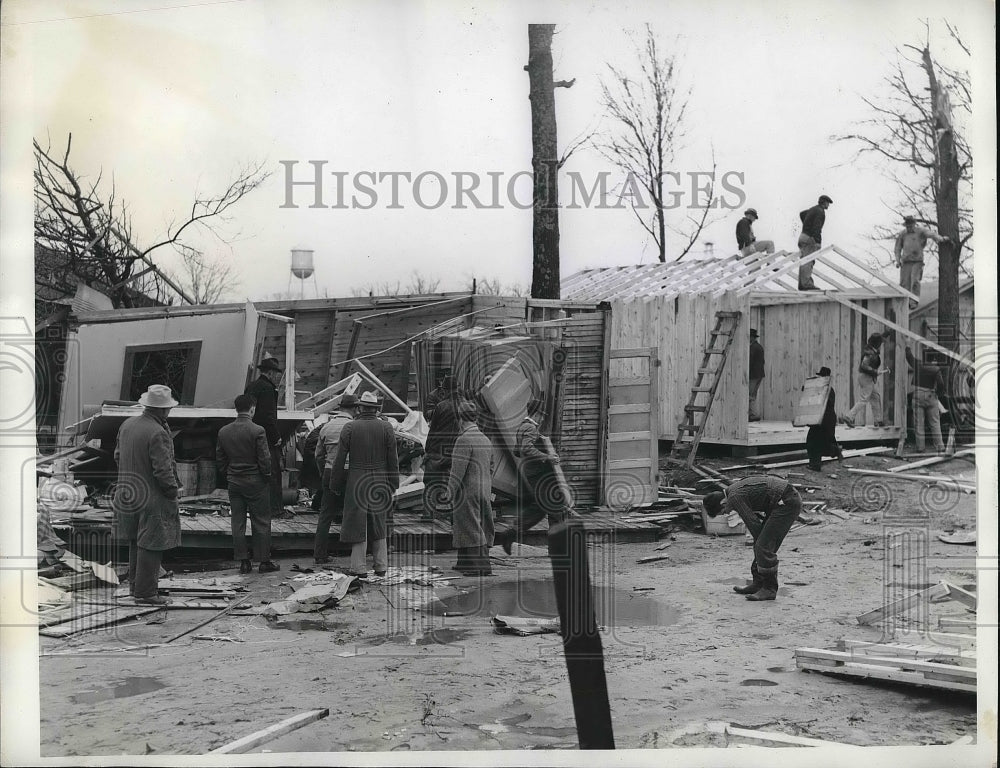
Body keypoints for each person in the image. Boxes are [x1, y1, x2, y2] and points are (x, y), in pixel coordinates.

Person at [113, 384, 182, 604]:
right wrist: (172, 491)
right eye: (168, 409)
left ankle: (136, 587)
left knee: (136, 541)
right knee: (152, 543)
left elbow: (116, 456)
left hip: (127, 491)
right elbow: (163, 470)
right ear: (162, 410)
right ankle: (146, 593)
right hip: (151, 496)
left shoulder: (127, 424)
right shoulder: (158, 432)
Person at [331, 390, 400, 577]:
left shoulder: (349, 428)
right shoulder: (387, 428)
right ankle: (381, 566)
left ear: (360, 408)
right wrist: (394, 483)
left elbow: (339, 460)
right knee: (379, 521)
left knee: (357, 522)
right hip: (380, 479)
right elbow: (393, 459)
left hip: (356, 479)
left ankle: (359, 568)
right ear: (376, 409)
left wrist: (335, 484)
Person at [702, 474, 801, 601]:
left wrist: (762, 546)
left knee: (762, 545)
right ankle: (758, 584)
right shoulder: (733, 490)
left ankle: (769, 589)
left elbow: (752, 522)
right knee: (761, 543)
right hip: (783, 499)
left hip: (787, 502)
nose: (726, 513)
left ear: (722, 502)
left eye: (723, 511)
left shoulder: (734, 497)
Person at [495, 397, 574, 554]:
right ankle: (556, 547)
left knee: (542, 507)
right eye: (542, 414)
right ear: (537, 413)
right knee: (554, 507)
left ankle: (513, 533)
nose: (543, 417)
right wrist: (547, 456)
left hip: (534, 474)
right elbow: (525, 449)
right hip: (538, 474)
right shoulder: (530, 428)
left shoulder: (523, 427)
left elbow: (518, 450)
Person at [216, 394, 278, 574]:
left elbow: (220, 459)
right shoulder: (258, 430)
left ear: (236, 409)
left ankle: (243, 561)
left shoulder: (224, 431)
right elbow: (265, 459)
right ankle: (264, 561)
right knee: (262, 521)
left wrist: (229, 473)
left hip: (234, 481)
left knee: (238, 521)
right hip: (255, 481)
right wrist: (266, 476)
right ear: (252, 409)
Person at [447, 399, 496, 576]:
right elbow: (491, 466)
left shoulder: (464, 439)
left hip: (468, 491)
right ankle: (464, 562)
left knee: (470, 526)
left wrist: (449, 492)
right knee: (473, 524)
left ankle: (480, 567)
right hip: (484, 489)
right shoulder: (484, 439)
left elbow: (457, 471)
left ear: (461, 419)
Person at [312, 393, 359, 563]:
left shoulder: (326, 427)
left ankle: (320, 554)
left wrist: (323, 472)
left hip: (329, 471)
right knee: (354, 513)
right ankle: (355, 553)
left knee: (325, 514)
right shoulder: (354, 427)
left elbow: (318, 455)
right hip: (350, 472)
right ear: (354, 408)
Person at [245, 355, 285, 516]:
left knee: (253, 473)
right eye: (276, 373)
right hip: (266, 438)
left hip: (249, 433)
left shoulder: (252, 386)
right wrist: (276, 437)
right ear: (270, 373)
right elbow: (268, 416)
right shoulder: (268, 389)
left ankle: (253, 507)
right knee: (272, 472)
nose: (277, 377)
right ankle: (274, 510)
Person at [422, 377, 461, 522]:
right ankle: (454, 515)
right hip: (456, 450)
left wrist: (427, 450)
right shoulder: (466, 405)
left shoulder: (441, 406)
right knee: (453, 483)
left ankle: (428, 514)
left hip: (437, 450)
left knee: (430, 483)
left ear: (445, 390)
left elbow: (433, 429)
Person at [894, 216, 949, 306]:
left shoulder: (920, 231)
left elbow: (931, 234)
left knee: (915, 281)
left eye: (910, 226)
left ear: (914, 225)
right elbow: (897, 248)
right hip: (906, 261)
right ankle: (904, 302)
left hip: (917, 261)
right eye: (907, 227)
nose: (909, 228)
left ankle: (913, 301)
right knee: (904, 283)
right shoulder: (903, 234)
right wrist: (897, 260)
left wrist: (941, 238)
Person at [905, 345, 947, 452]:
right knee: (934, 422)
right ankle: (940, 446)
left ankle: (920, 447)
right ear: (933, 358)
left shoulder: (918, 364)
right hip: (931, 395)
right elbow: (941, 384)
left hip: (918, 394)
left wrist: (907, 345)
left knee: (919, 423)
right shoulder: (936, 369)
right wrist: (938, 393)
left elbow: (909, 357)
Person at [844, 334, 888, 428]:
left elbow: (880, 337)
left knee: (875, 397)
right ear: (877, 344)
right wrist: (875, 372)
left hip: (867, 377)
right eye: (880, 343)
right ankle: (849, 416)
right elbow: (864, 365)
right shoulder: (870, 353)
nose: (881, 346)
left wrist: (887, 333)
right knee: (864, 399)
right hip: (866, 377)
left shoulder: (871, 350)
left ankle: (878, 420)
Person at [805, 367, 844, 471]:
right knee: (821, 442)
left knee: (813, 441)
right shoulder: (829, 389)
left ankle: (816, 464)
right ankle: (834, 451)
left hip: (823, 419)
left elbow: (818, 404)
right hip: (826, 419)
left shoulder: (823, 389)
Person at [797, 194, 832, 290]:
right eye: (828, 203)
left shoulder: (813, 209)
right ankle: (806, 284)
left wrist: (806, 225)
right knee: (809, 260)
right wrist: (817, 241)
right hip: (809, 239)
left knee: (804, 260)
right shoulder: (821, 212)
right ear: (824, 202)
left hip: (802, 236)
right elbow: (817, 228)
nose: (828, 205)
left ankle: (802, 284)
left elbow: (802, 214)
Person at [748, 328, 765, 422]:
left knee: (749, 395)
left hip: (753, 375)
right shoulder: (759, 347)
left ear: (752, 337)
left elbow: (750, 362)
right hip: (759, 374)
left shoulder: (753, 348)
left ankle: (752, 414)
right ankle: (753, 414)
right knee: (753, 394)